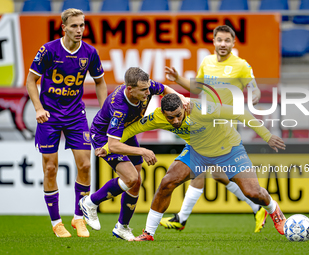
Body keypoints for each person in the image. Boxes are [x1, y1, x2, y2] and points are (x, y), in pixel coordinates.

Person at [101, 93, 286, 241]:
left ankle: (274, 209)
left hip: (229, 149)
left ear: (184, 107)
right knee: (167, 182)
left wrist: (267, 136)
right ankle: (148, 233)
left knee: (252, 192)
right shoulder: (158, 117)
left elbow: (239, 113)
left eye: (178, 116)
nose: (174, 121)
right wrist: (106, 146)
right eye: (170, 118)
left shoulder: (203, 109)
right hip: (197, 151)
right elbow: (130, 131)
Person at [163, 25, 264, 232]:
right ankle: (256, 207)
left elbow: (253, 85)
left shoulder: (241, 65)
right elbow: (198, 88)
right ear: (214, 41)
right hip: (204, 121)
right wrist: (178, 79)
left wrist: (254, 93)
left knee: (199, 169)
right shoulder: (207, 62)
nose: (223, 44)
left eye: (227, 40)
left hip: (223, 123)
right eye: (219, 40)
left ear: (233, 43)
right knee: (217, 174)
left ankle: (181, 219)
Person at [79, 67, 188, 241]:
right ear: (130, 89)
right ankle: (90, 203)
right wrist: (143, 151)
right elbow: (113, 145)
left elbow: (165, 88)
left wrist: (181, 97)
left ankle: (122, 227)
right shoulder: (119, 106)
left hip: (126, 132)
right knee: (131, 178)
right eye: (144, 90)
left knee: (136, 182)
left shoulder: (146, 86)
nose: (148, 92)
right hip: (104, 137)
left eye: (148, 88)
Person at [26, 8, 107, 238]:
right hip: (49, 116)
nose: (79, 30)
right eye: (74, 26)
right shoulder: (48, 50)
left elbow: (100, 83)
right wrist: (38, 109)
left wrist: (104, 111)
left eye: (82, 25)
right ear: (64, 28)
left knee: (85, 165)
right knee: (50, 168)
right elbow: (31, 81)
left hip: (75, 115)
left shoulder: (90, 53)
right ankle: (56, 222)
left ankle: (79, 218)